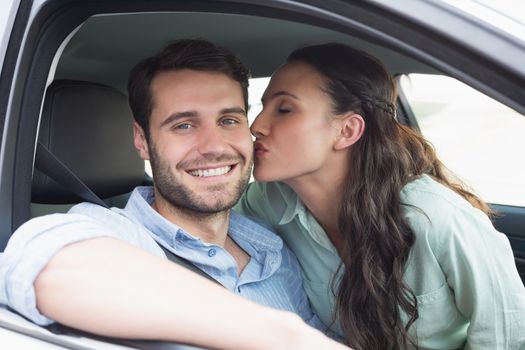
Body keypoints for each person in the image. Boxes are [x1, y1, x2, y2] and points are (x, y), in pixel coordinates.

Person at [0, 39, 348, 350]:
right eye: (184, 125)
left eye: (229, 120)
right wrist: (286, 336)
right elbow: (41, 263)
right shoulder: (117, 235)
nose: (215, 147)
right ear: (142, 141)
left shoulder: (273, 250)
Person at [234, 43, 525, 349]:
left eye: (284, 109)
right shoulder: (266, 202)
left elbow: (508, 335)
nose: (257, 126)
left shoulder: (433, 215)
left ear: (347, 130)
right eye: (261, 107)